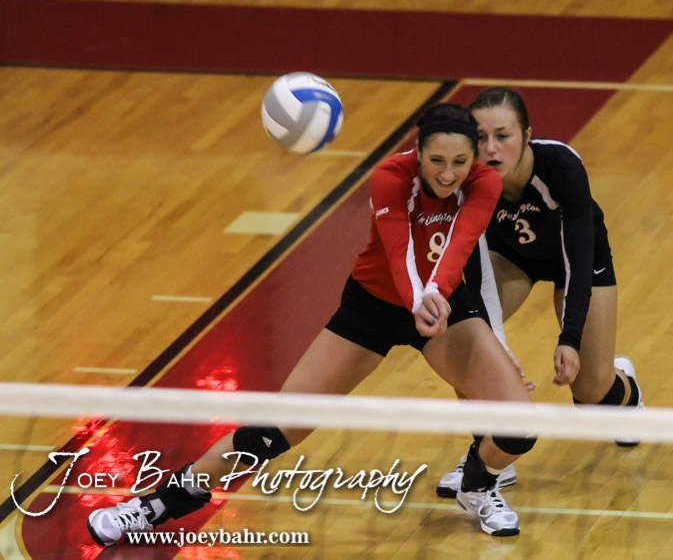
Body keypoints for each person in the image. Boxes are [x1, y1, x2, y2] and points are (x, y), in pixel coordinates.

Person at [86, 104, 535, 544]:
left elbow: (458, 247)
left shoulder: (484, 182)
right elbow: (399, 251)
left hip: (444, 307)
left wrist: (434, 295)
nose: (448, 173)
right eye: (436, 160)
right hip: (373, 309)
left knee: (520, 425)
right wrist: (419, 298)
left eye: (459, 161)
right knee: (276, 432)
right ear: (417, 153)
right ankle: (154, 505)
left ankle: (477, 486)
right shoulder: (390, 177)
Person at [436, 87, 643, 498]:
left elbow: (577, 260)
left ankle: (628, 391)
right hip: (513, 259)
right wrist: (496, 347)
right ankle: (491, 455)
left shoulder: (562, 166)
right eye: (480, 138)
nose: (491, 148)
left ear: (527, 135)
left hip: (577, 262)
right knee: (462, 339)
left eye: (503, 136)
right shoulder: (466, 180)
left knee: (592, 391)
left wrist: (569, 339)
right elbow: (471, 280)